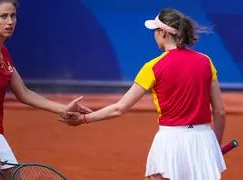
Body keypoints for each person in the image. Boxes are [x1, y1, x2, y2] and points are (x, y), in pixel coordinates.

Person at [61, 8, 226, 180]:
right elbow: (220, 112)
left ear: (162, 32)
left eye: (155, 30)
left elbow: (119, 109)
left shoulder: (152, 67)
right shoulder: (206, 61)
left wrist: (84, 119)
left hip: (171, 141)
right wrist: (215, 145)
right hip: (205, 140)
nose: (154, 35)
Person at [0, 0, 91, 179]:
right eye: (3, 16)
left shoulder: (2, 53)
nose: (10, 21)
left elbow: (23, 93)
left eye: (13, 16)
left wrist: (63, 109)